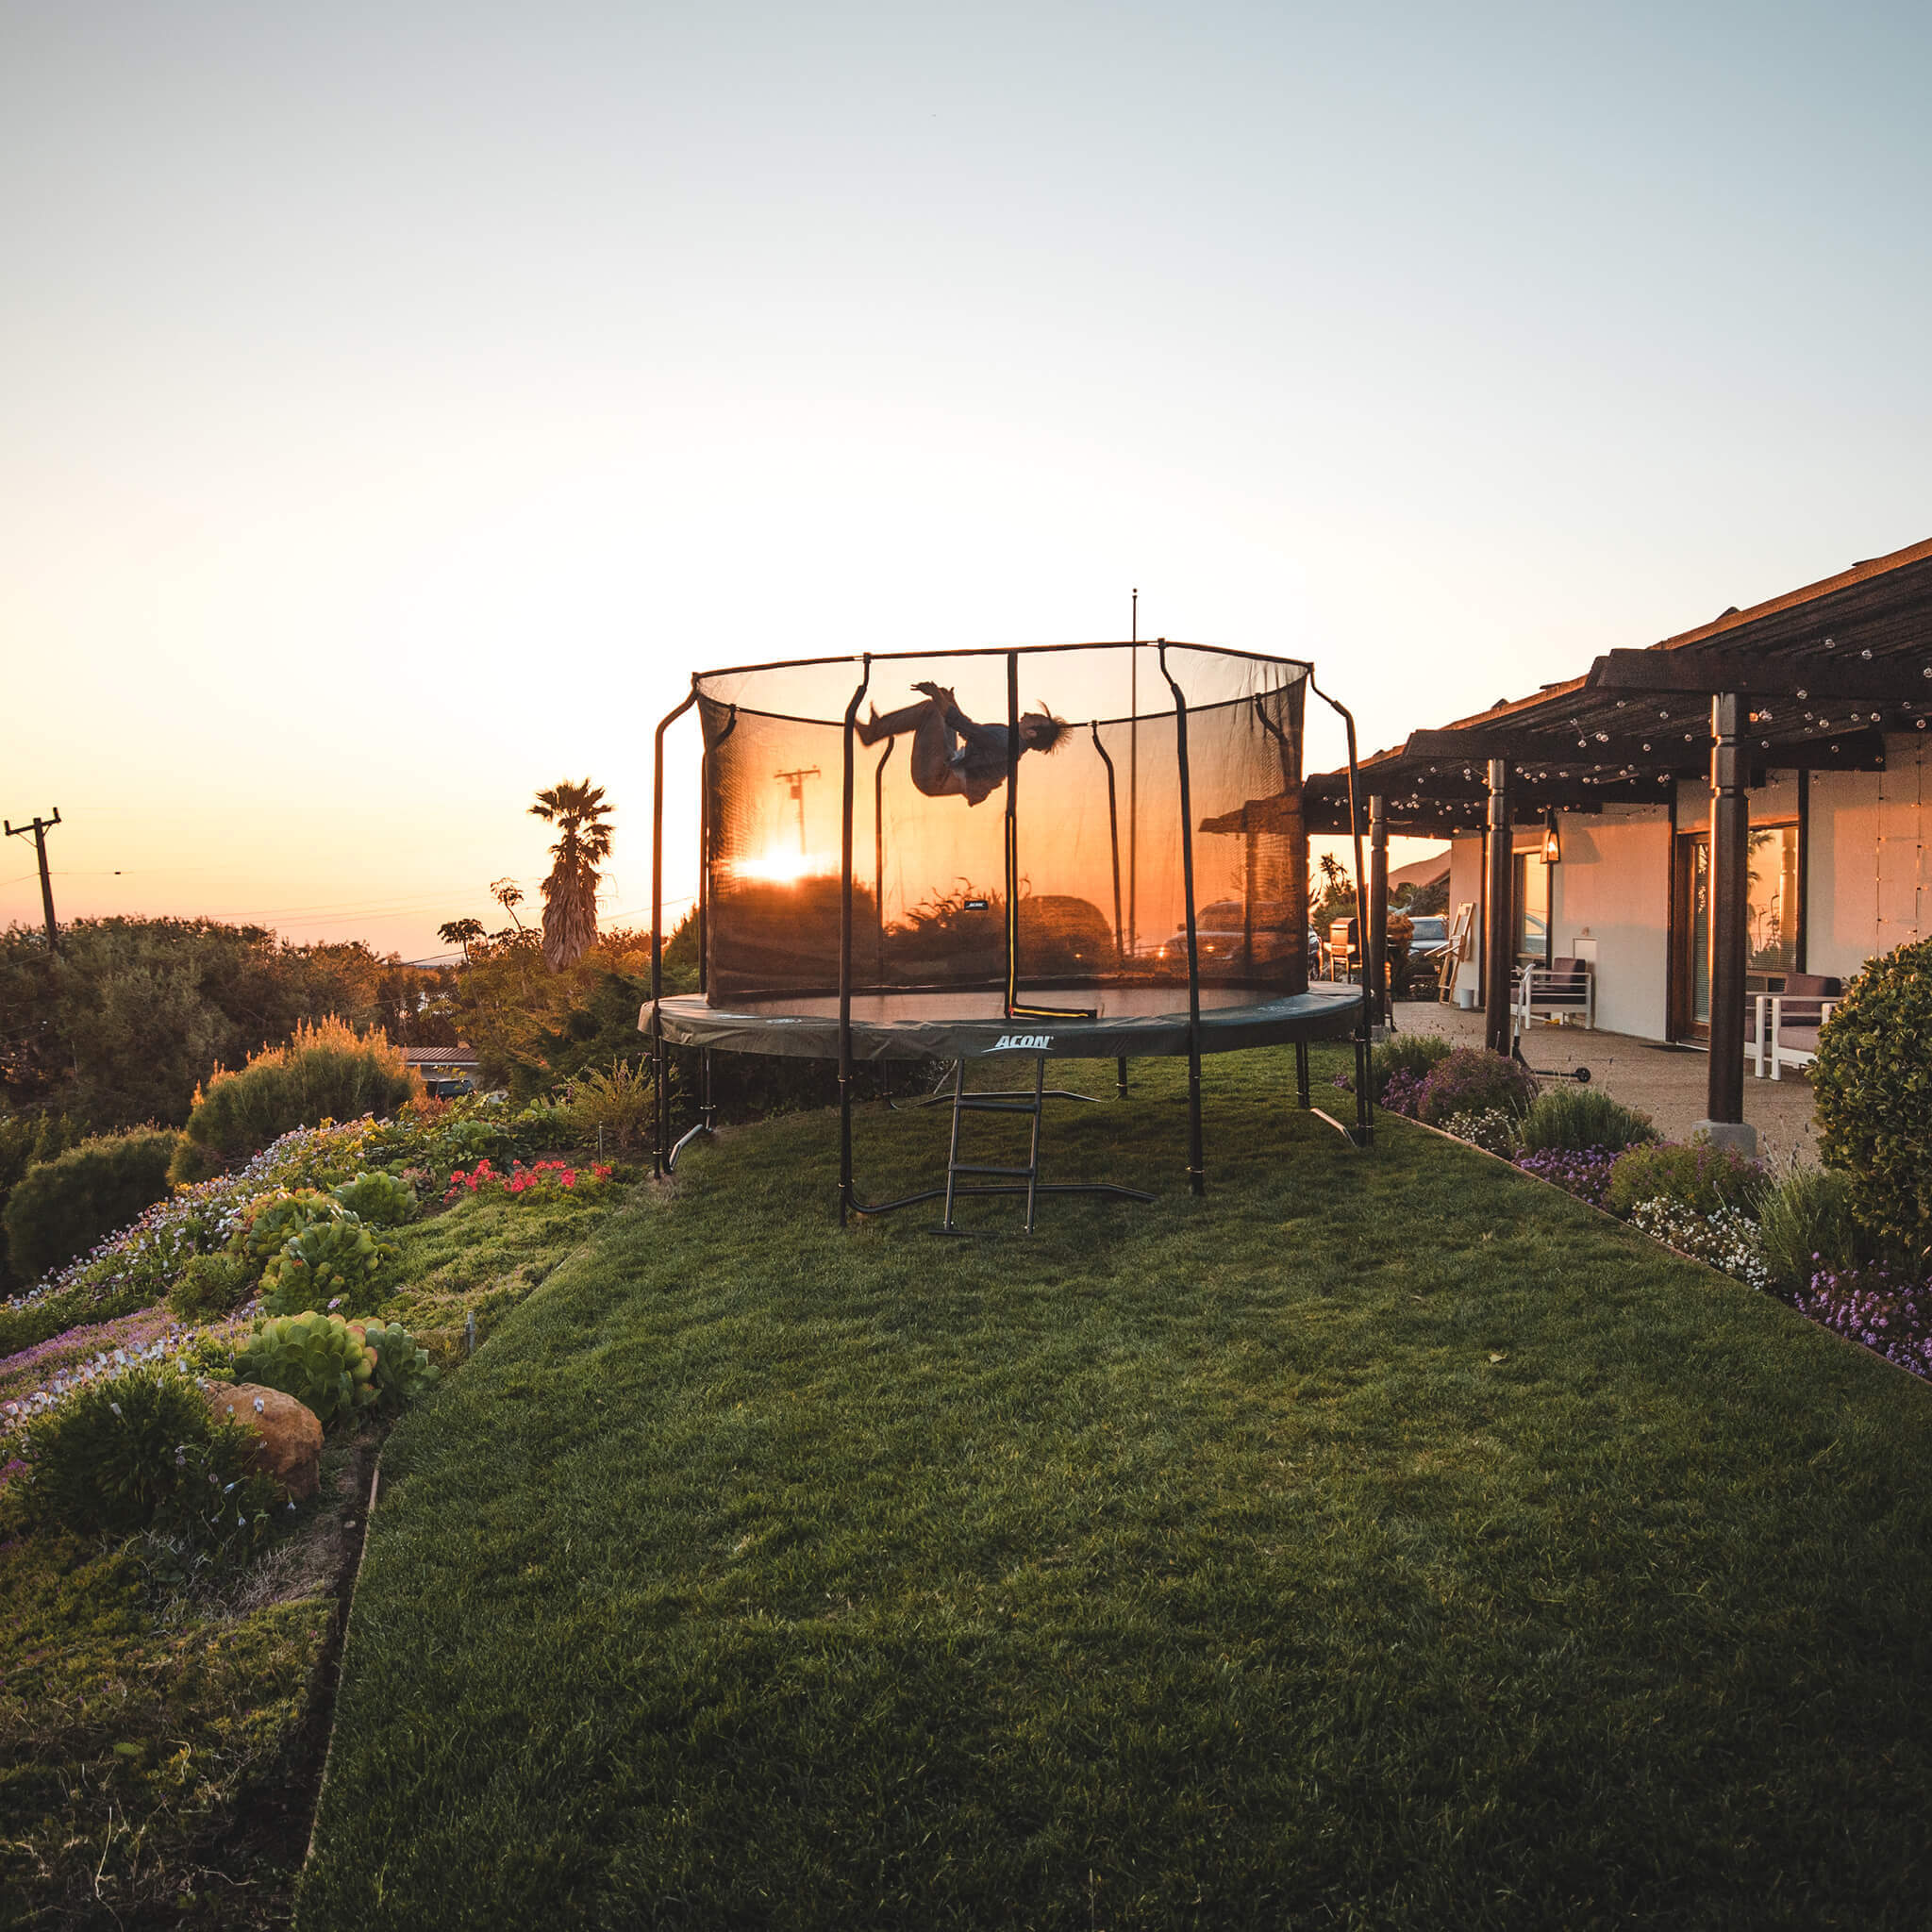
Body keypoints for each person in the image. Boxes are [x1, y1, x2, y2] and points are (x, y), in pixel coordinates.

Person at [856, 681, 1067, 805]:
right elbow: (969, 730)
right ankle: (877, 728)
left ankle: (873, 732)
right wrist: (949, 702)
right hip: (949, 763)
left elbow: (963, 725)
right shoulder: (1008, 740)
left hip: (936, 777)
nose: (1027, 713)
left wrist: (937, 697)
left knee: (932, 709)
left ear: (1030, 733)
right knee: (940, 709)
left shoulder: (1005, 742)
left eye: (1033, 718)